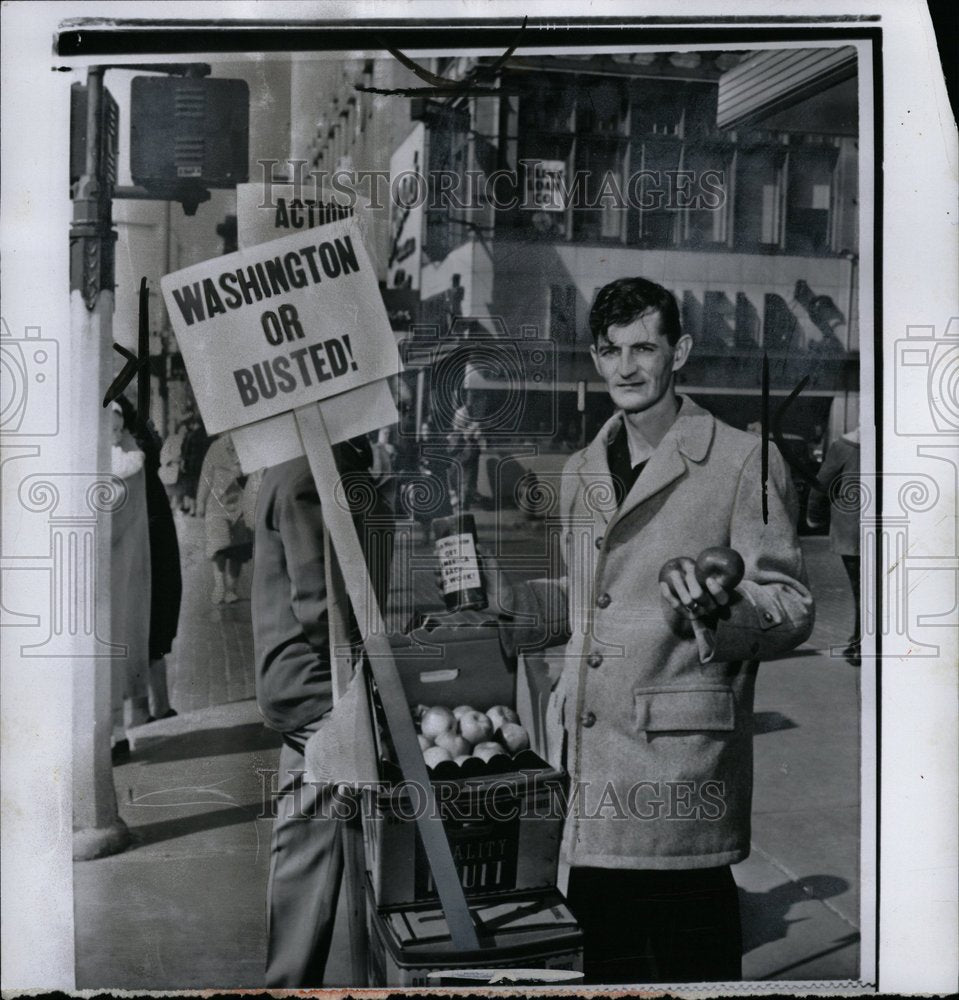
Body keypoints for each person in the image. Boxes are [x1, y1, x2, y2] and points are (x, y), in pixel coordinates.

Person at [486, 277, 815, 984]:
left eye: (644, 347)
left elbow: (787, 603)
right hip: (591, 776)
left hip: (679, 775)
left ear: (680, 352)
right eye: (609, 350)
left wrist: (717, 610)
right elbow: (589, 601)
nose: (625, 367)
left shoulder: (740, 461)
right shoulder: (580, 471)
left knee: (688, 969)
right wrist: (509, 600)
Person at [252, 436, 392, 987]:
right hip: (320, 687)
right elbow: (323, 608)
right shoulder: (313, 468)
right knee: (329, 843)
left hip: (299, 685)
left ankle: (288, 978)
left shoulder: (293, 458)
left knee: (305, 846)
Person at [115, 395, 183, 720]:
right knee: (154, 619)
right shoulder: (138, 447)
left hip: (143, 530)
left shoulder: (125, 451)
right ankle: (155, 706)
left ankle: (145, 710)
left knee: (142, 619)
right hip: (155, 527)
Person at [108, 401, 151, 761]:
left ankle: (116, 735)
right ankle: (116, 734)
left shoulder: (124, 465)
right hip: (117, 575)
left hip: (113, 576)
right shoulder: (127, 462)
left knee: (110, 654)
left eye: (116, 427)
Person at [807, 426, 861, 665]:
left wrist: (814, 516)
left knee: (860, 589)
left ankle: (860, 643)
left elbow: (822, 484)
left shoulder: (845, 447)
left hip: (853, 532)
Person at [196, 432, 252, 604]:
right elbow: (206, 477)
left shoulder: (248, 444)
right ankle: (219, 586)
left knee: (238, 549)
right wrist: (200, 502)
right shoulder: (216, 447)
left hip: (241, 504)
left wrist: (243, 471)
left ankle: (231, 589)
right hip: (217, 503)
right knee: (219, 546)